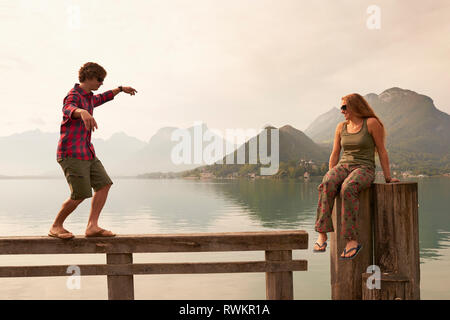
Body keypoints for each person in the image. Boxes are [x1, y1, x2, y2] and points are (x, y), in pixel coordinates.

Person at [49, 62, 137, 239]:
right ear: (89, 77)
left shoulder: (89, 97)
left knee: (104, 184)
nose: (101, 83)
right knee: (80, 194)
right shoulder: (73, 95)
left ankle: (92, 226)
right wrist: (81, 112)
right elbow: (68, 108)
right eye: (99, 79)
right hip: (71, 153)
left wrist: (120, 89)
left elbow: (102, 97)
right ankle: (56, 226)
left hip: (88, 152)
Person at [313, 93, 399, 259]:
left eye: (344, 107)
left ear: (355, 106)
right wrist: (331, 174)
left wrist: (388, 177)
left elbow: (382, 150)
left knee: (348, 187)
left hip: (364, 168)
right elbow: (335, 152)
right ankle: (322, 234)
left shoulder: (372, 123)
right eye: (341, 108)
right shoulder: (341, 127)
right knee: (327, 182)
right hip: (343, 166)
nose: (342, 111)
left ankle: (352, 240)